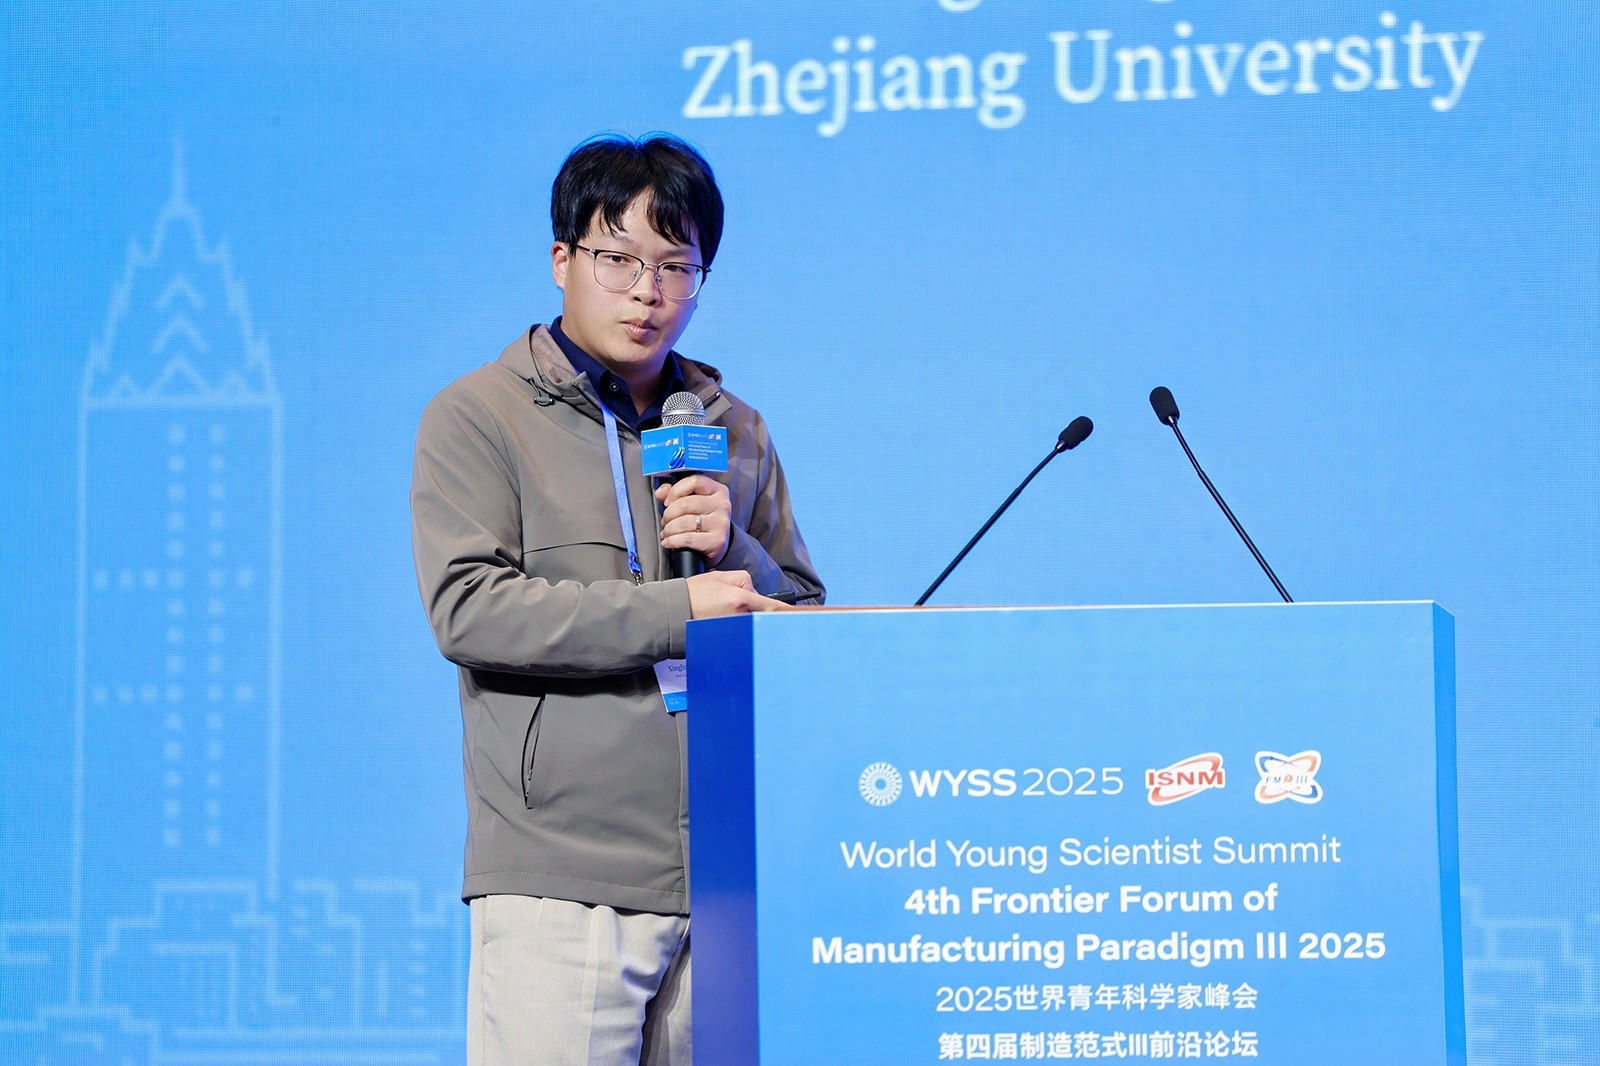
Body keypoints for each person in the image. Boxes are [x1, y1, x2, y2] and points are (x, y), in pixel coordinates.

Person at [410, 133, 824, 1066]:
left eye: (677, 268)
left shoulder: (735, 429)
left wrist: (735, 549)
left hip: (728, 876)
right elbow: (471, 609)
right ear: (562, 260)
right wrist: (679, 612)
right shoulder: (479, 416)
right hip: (561, 875)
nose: (648, 293)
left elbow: (802, 620)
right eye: (619, 260)